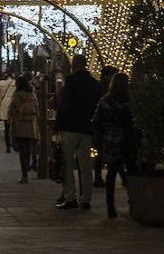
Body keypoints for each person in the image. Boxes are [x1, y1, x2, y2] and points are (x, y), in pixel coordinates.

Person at [54, 54, 100, 210]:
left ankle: (71, 197)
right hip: (87, 127)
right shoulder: (94, 83)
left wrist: (58, 125)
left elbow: (65, 104)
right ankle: (86, 198)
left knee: (67, 162)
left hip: (70, 126)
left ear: (75, 65)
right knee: (85, 165)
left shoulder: (72, 81)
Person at [91, 71, 133, 219]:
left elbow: (96, 120)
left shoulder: (105, 101)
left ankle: (111, 207)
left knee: (111, 173)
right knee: (131, 171)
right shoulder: (129, 102)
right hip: (127, 140)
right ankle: (133, 202)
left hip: (110, 139)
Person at [7, 74, 40, 183]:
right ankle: (28, 168)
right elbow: (37, 108)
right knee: (29, 149)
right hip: (30, 126)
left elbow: (12, 109)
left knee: (22, 151)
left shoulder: (17, 94)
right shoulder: (32, 94)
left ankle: (24, 175)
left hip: (19, 125)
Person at [93, 65, 120, 189]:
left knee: (102, 153)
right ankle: (99, 177)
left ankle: (99, 177)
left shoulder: (101, 90)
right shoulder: (108, 93)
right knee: (106, 154)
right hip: (106, 129)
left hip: (103, 128)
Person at [0, 72, 17, 152]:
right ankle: (14, 143)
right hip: (13, 104)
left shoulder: (1, 83)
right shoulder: (15, 83)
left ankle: (7, 146)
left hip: (4, 105)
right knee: (14, 125)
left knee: (6, 127)